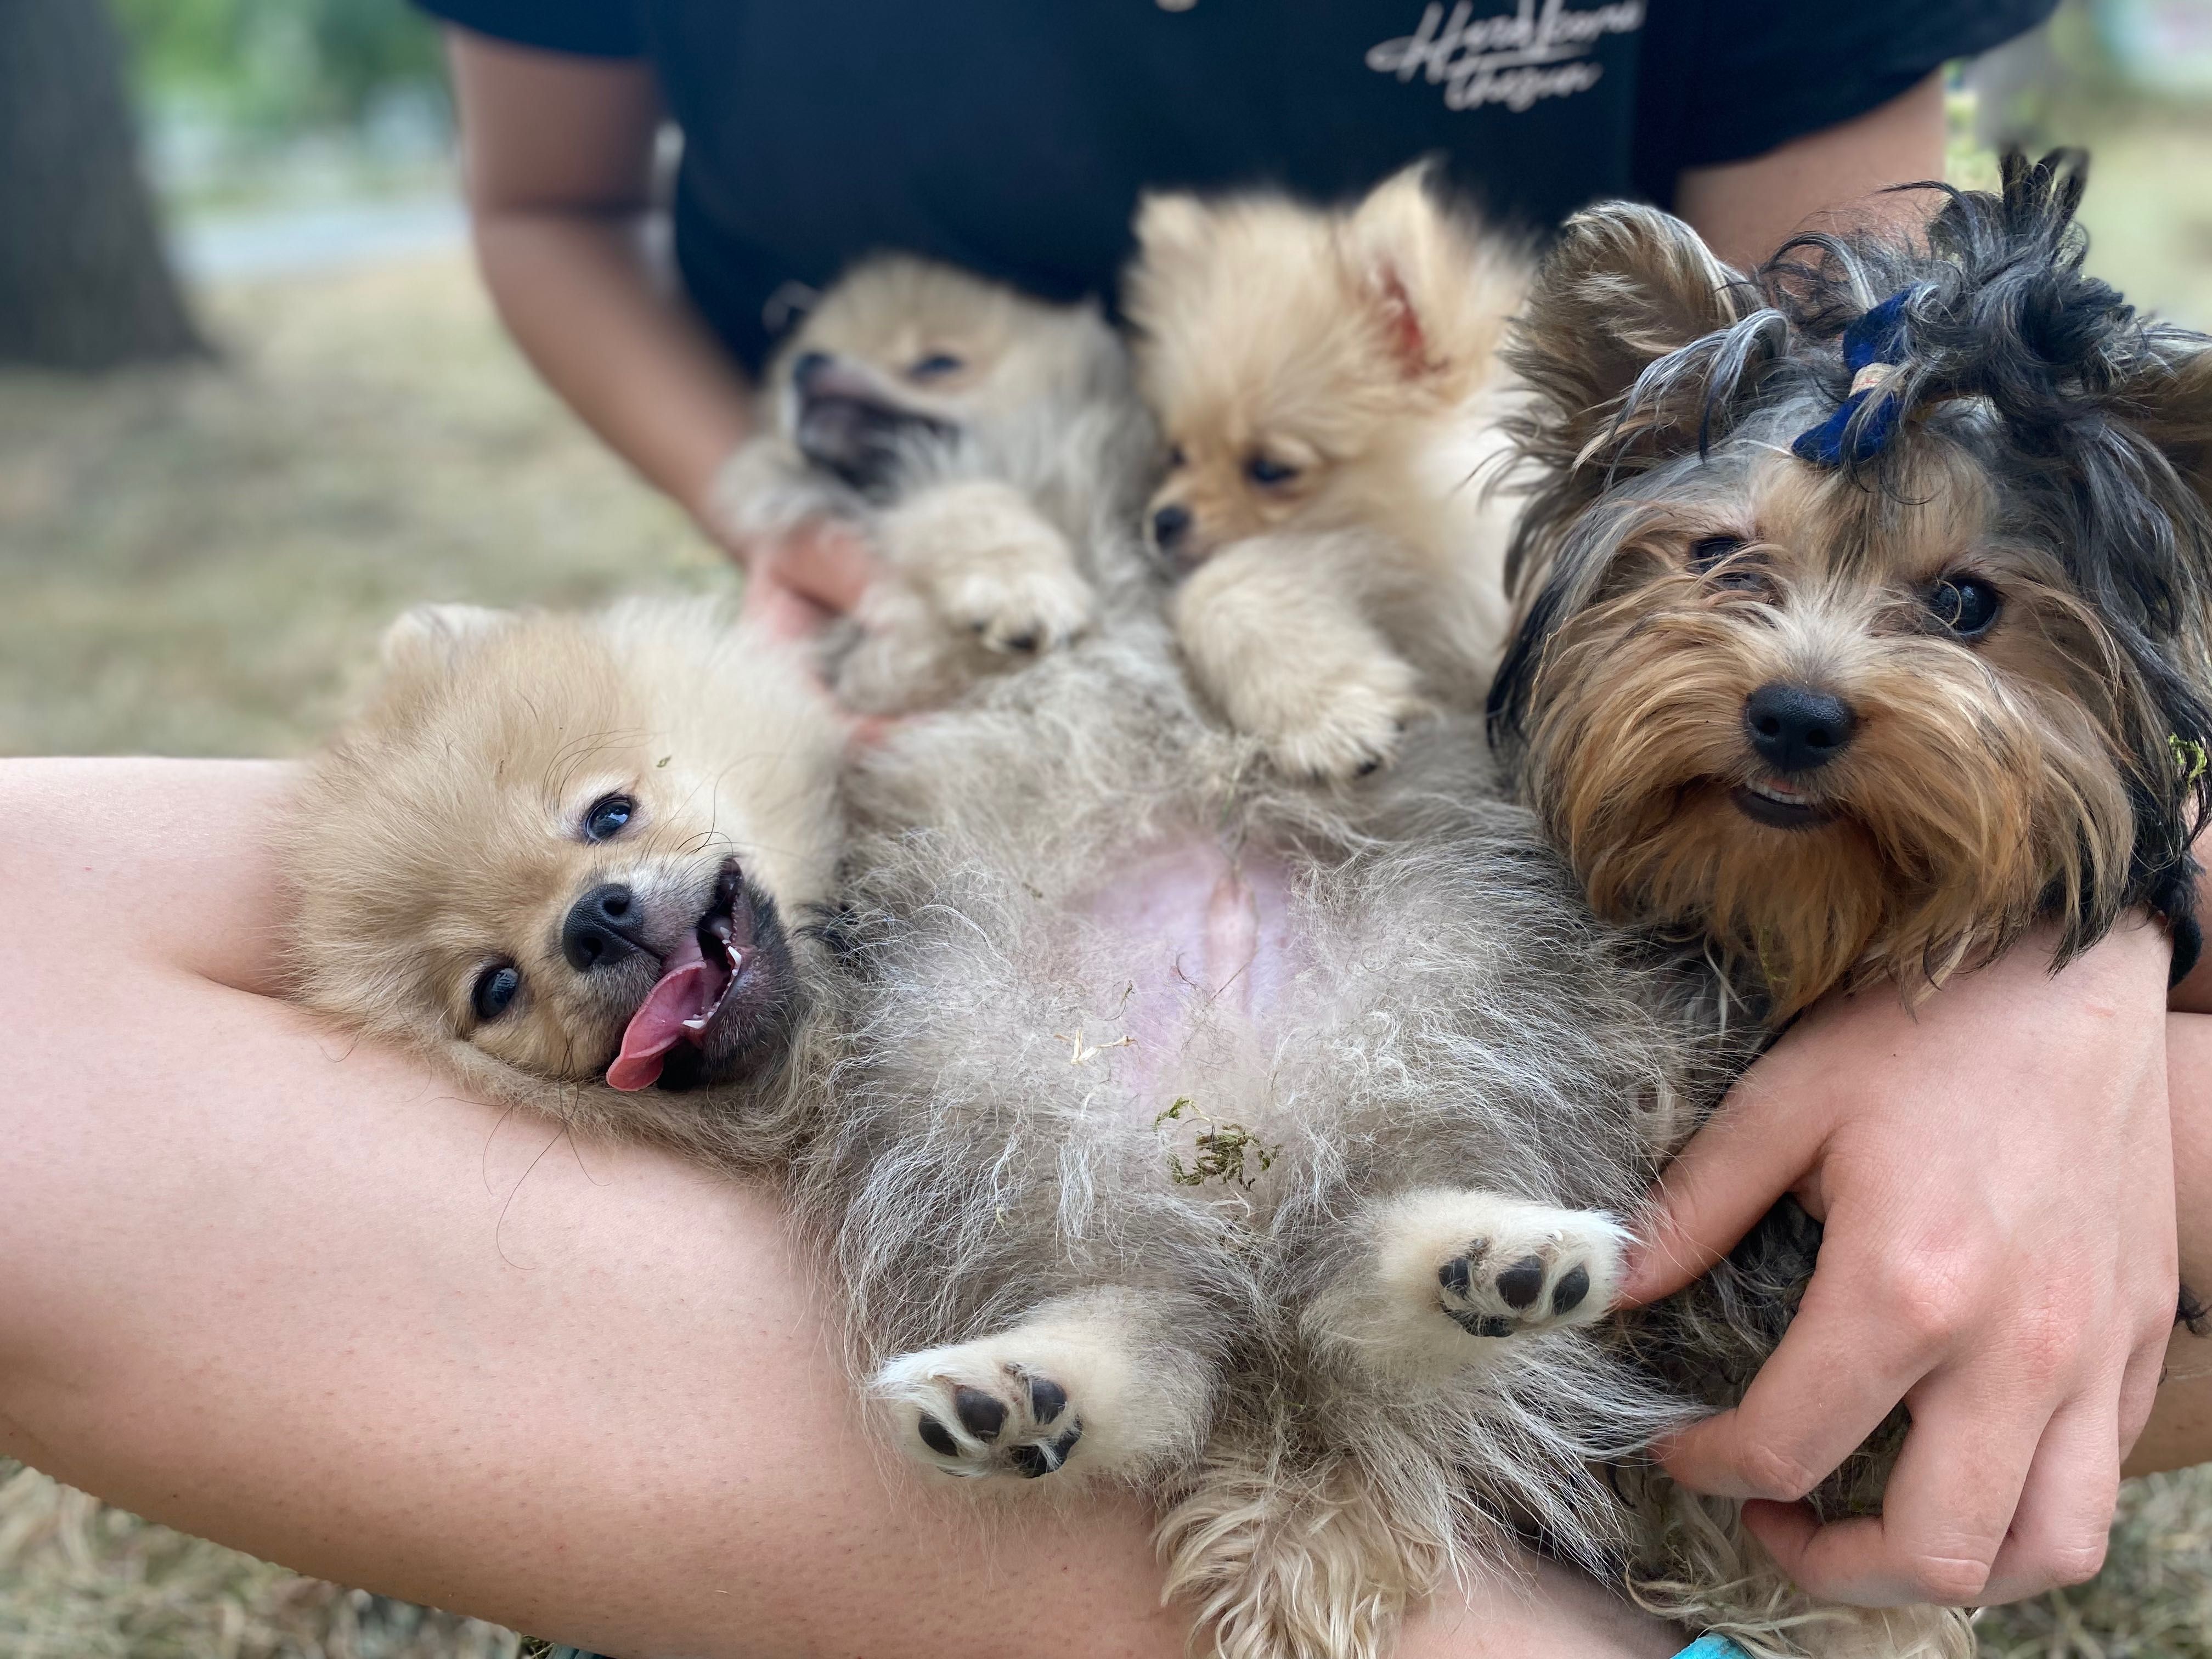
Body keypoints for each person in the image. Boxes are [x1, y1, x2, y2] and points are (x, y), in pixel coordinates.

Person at [5, 5, 2208, 1657]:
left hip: (1481, 753)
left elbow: (1909, 397)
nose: (1815, 652)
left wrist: (2074, 967)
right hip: (945, 705)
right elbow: (542, 206)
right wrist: (804, 539)